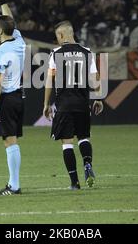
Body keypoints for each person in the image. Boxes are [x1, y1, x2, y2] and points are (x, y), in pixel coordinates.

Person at [43, 21, 104, 190]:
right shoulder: (87, 53)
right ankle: (87, 163)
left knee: (67, 143)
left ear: (62, 35)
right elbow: (95, 78)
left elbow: (49, 81)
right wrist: (98, 99)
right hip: (82, 104)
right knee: (83, 137)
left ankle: (74, 183)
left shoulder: (55, 53)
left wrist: (46, 104)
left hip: (64, 105)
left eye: (57, 36)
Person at [0, 0, 25, 196]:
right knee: (11, 140)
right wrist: (3, 0)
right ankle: (14, 183)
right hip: (19, 96)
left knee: (9, 140)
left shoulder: (0, 51)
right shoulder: (19, 41)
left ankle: (14, 185)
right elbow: (11, 20)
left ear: (1, 30)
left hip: (7, 99)